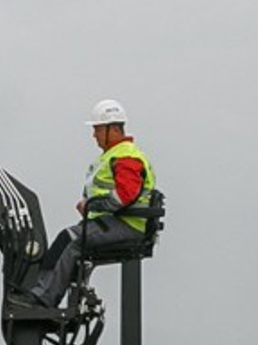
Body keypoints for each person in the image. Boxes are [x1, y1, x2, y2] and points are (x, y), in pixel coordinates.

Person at [22, 100, 158, 308]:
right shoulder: (115, 155)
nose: (93, 134)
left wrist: (92, 206)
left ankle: (44, 299)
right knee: (65, 238)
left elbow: (125, 196)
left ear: (112, 129)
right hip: (117, 221)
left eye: (97, 129)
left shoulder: (126, 156)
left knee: (74, 243)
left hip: (127, 225)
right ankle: (40, 291)